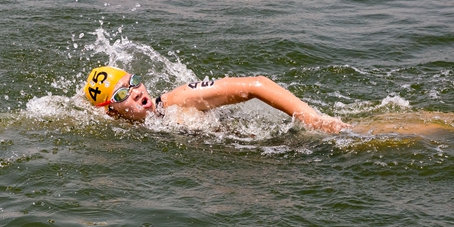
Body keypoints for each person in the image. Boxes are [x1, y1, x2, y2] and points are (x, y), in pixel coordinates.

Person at [84, 66, 348, 133]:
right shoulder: (147, 127)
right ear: (111, 112)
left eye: (133, 81)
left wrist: (315, 121)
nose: (136, 91)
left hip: (287, 141)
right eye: (121, 94)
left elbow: (258, 85)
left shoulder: (178, 100)